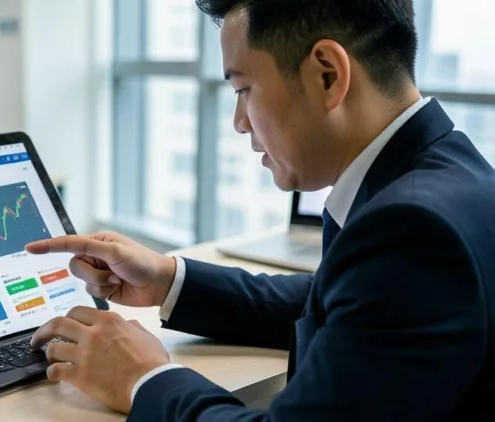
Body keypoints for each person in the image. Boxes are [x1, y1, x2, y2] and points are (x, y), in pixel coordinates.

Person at [26, 0, 495, 420]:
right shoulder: (447, 178)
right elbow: (337, 303)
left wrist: (142, 378)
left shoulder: (411, 232)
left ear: (327, 74)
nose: (239, 122)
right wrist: (167, 279)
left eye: (243, 88)